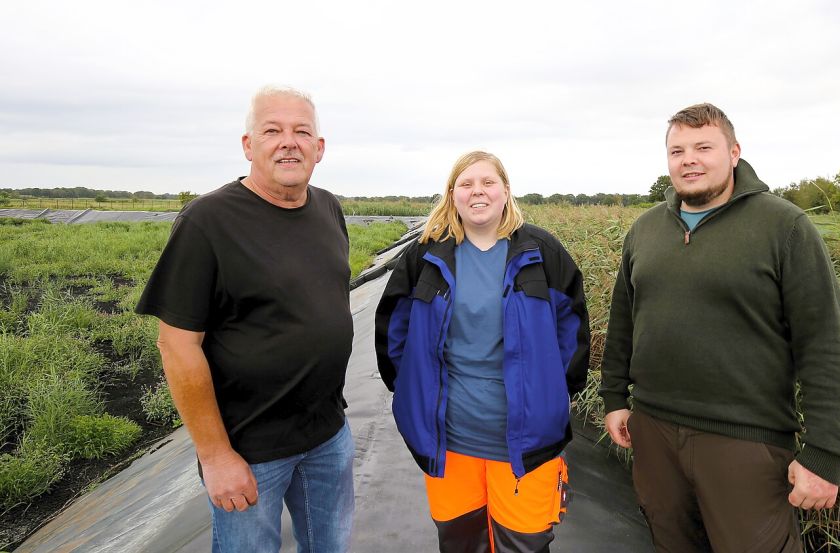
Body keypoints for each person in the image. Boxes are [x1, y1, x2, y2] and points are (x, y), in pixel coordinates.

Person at [600, 103, 840, 552]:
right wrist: (616, 398)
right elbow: (624, 321)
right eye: (677, 150)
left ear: (734, 152)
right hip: (655, 430)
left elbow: (825, 345)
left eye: (703, 147)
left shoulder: (783, 226)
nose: (689, 159)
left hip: (744, 440)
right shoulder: (645, 230)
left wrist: (825, 453)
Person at [135, 85, 355, 553]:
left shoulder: (329, 208)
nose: (288, 142)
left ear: (320, 148)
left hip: (328, 436)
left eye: (301, 131)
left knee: (330, 546)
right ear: (248, 144)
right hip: (250, 451)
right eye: (272, 130)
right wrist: (215, 457)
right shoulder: (208, 221)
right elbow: (176, 345)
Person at [375, 151, 590, 553]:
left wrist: (550, 395)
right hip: (450, 439)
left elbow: (572, 329)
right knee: (460, 544)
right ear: (452, 194)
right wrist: (411, 392)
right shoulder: (426, 255)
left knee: (524, 544)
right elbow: (393, 332)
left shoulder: (541, 252)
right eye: (467, 184)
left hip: (527, 442)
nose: (478, 192)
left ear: (506, 191)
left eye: (488, 183)